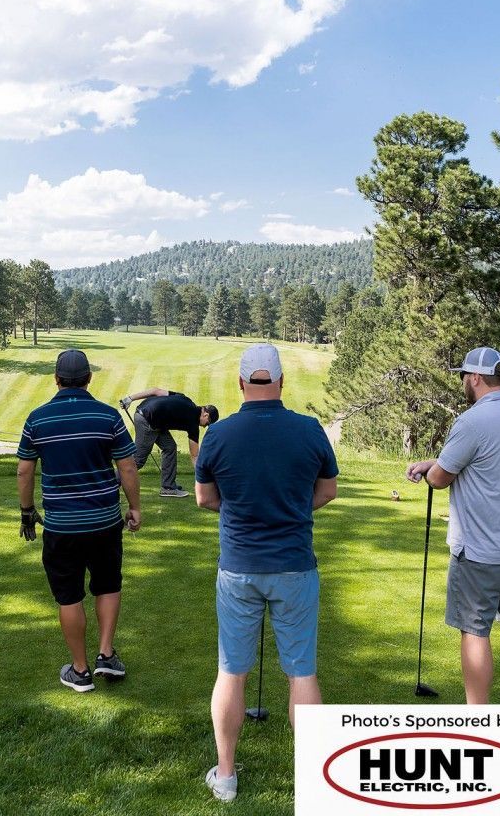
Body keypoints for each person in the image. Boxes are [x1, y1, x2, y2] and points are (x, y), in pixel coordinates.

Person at [193, 344, 338, 802]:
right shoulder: (308, 430)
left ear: (240, 383)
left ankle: (227, 775)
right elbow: (327, 490)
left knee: (231, 671)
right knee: (302, 674)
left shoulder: (218, 435)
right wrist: (293, 508)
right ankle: (312, 780)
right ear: (281, 383)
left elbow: (204, 498)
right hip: (294, 565)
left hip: (239, 567)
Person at [406, 346, 500, 706]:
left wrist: (431, 470)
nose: (463, 382)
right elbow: (486, 459)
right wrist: (434, 462)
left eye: (464, 376)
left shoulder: (471, 421)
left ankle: (477, 719)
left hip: (480, 551)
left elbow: (439, 479)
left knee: (474, 630)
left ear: (476, 378)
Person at [17, 349, 142, 693]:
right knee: (108, 584)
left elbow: (25, 469)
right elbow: (127, 466)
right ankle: (105, 654)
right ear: (89, 378)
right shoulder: (108, 417)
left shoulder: (37, 419)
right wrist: (135, 508)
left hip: (61, 528)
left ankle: (80, 670)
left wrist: (27, 512)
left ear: (56, 379)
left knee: (69, 596)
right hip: (104, 522)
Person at [118, 387, 218, 497]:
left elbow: (155, 391)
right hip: (147, 420)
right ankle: (109, 483)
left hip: (148, 415)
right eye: (207, 423)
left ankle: (168, 487)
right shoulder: (193, 423)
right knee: (138, 460)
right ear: (206, 415)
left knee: (170, 447)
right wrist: (203, 480)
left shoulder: (186, 399)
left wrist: (129, 399)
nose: (204, 426)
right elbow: (194, 456)